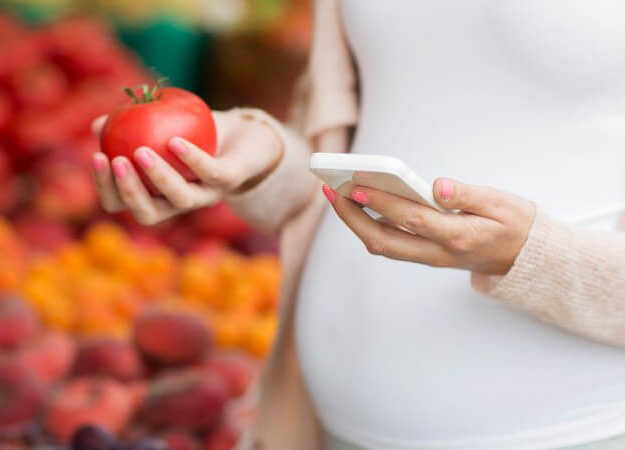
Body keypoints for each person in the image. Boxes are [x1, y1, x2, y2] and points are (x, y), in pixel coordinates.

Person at [90, 0, 625, 448]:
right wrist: (261, 159)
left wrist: (534, 256)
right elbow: (340, 160)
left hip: (569, 428)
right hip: (334, 426)